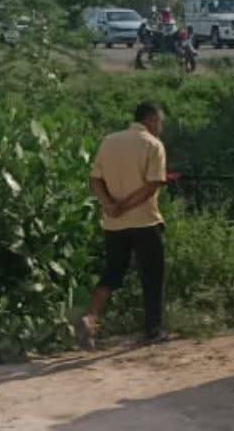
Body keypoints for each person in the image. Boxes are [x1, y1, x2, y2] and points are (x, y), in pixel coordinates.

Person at [76, 101, 170, 348]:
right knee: (152, 276)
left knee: (113, 273)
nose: (160, 127)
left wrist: (109, 205)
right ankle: (153, 330)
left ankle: (90, 318)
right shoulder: (153, 145)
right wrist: (124, 205)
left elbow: (95, 179)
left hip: (113, 225)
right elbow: (152, 185)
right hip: (145, 222)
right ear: (150, 120)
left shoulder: (109, 141)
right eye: (160, 122)